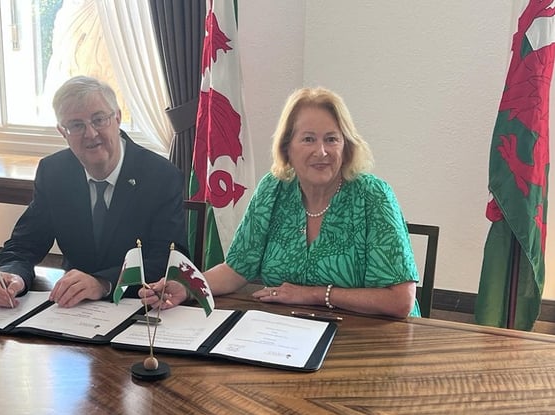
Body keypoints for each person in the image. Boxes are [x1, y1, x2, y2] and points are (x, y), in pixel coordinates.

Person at [139, 87, 420, 318]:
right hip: (287, 336)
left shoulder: (373, 196)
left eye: (332, 139)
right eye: (308, 139)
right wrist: (188, 287)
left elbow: (400, 301)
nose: (321, 152)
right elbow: (237, 269)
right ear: (288, 147)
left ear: (345, 146)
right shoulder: (273, 190)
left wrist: (312, 295)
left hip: (370, 339)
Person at [0, 76, 187, 308]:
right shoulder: (53, 172)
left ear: (118, 118)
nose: (90, 134)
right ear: (63, 131)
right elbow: (25, 244)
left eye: (99, 119)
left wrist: (102, 282)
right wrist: (12, 276)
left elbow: (168, 259)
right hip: (73, 310)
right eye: (76, 125)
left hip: (138, 308)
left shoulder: (160, 175)